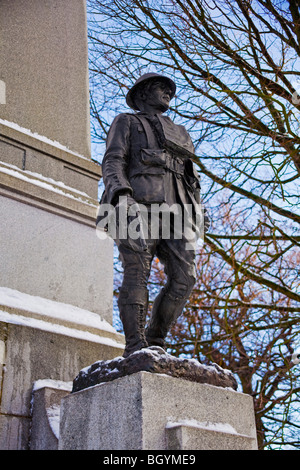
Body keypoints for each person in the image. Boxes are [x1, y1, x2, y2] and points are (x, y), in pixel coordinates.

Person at [97, 73, 209, 358]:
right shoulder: (127, 121)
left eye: (170, 90)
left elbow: (190, 177)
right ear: (144, 93)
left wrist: (198, 209)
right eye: (162, 88)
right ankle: (136, 345)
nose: (168, 93)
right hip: (138, 205)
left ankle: (156, 340)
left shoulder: (181, 132)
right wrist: (121, 195)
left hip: (179, 212)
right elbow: (113, 159)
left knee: (185, 278)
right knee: (137, 272)